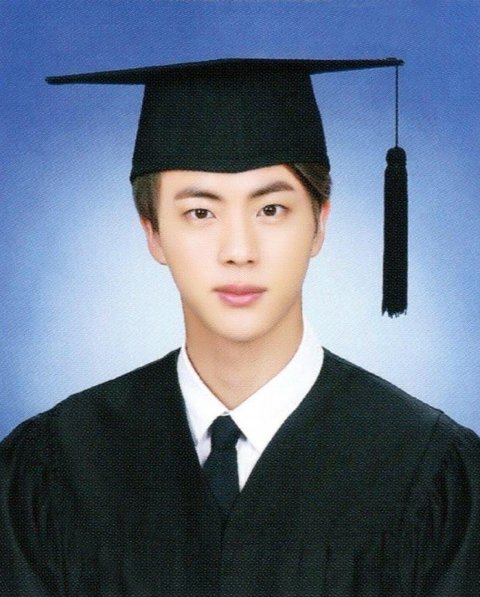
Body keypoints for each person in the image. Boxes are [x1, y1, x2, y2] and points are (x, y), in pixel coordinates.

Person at [1, 58, 479, 596]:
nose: (238, 251)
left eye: (271, 210)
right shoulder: (56, 465)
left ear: (319, 224)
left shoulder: (427, 469)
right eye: (200, 213)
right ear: (153, 233)